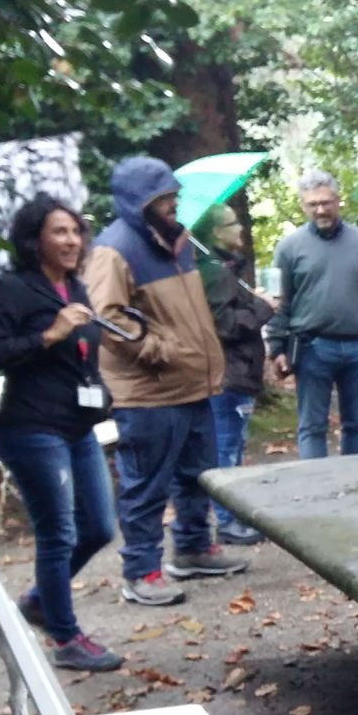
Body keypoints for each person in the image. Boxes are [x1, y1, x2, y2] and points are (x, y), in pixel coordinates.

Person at [83, 156, 246, 607]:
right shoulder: (113, 250)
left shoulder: (178, 243)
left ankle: (193, 548)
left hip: (193, 384)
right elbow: (106, 319)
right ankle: (141, 571)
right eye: (163, 198)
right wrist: (161, 350)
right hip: (149, 392)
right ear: (140, 203)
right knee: (146, 485)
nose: (173, 203)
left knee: (199, 476)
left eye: (174, 194)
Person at [0, 195, 123, 668]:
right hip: (31, 429)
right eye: (59, 232)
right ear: (34, 240)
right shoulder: (9, 290)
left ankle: (38, 600)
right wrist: (50, 334)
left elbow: (80, 359)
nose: (72, 240)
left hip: (76, 428)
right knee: (57, 533)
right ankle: (65, 639)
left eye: (76, 231)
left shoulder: (75, 289)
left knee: (98, 527)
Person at [268, 169, 358, 458]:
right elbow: (278, 301)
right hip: (312, 348)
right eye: (313, 204)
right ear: (303, 205)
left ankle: (353, 485)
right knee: (312, 426)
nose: (320, 209)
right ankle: (316, 492)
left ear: (338, 201)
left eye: (326, 202)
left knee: (357, 424)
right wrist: (276, 347)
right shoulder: (288, 247)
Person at [191, 203, 277, 546]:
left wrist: (252, 300)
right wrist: (263, 307)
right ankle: (227, 522)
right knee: (226, 449)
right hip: (227, 375)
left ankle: (231, 517)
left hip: (237, 374)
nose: (240, 228)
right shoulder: (213, 272)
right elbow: (224, 325)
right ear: (216, 233)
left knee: (233, 445)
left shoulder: (223, 270)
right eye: (232, 223)